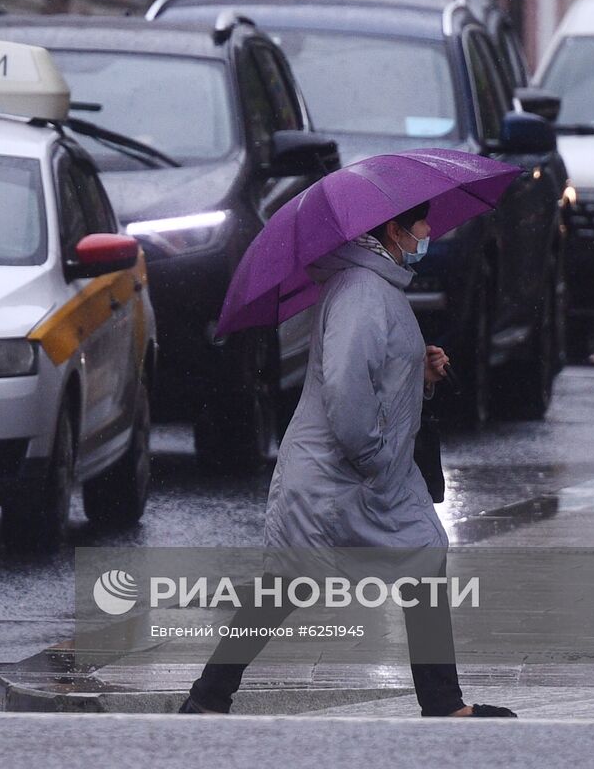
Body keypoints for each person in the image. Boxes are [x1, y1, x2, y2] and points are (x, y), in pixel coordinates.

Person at [180, 201, 516, 718]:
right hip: (337, 478)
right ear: (392, 229)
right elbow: (346, 390)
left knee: (422, 556)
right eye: (421, 223)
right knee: (288, 584)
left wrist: (418, 374)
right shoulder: (362, 293)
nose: (429, 232)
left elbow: (378, 379)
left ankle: (445, 705)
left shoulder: (377, 288)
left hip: (369, 476)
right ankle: (208, 695)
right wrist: (373, 455)